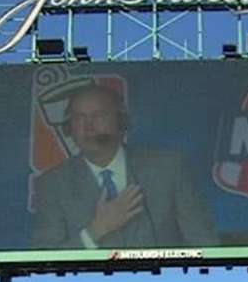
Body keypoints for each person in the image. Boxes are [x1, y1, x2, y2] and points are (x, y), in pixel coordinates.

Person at [29, 83, 218, 249]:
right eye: (79, 118)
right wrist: (95, 231)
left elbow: (204, 242)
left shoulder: (168, 168)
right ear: (68, 128)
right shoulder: (52, 184)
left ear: (121, 121)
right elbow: (43, 259)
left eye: (99, 115)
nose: (88, 126)